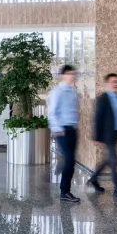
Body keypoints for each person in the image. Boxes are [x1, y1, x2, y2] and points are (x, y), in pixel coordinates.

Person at [48, 64, 81, 203]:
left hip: (72, 129)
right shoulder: (57, 92)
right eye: (69, 74)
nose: (72, 76)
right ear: (62, 75)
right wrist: (57, 129)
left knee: (71, 161)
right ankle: (65, 192)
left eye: (73, 73)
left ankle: (65, 191)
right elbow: (52, 113)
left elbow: (74, 110)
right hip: (62, 131)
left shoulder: (73, 92)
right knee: (70, 160)